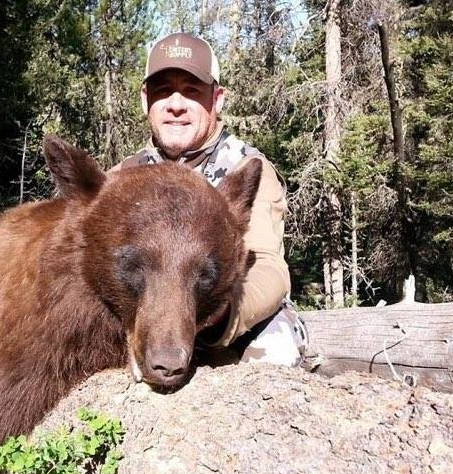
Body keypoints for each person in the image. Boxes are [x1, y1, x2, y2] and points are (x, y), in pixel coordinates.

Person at [111, 32, 308, 367]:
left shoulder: (246, 169)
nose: (176, 105)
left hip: (229, 318)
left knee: (274, 352)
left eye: (192, 91)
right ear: (145, 99)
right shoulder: (122, 178)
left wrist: (218, 313)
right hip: (146, 315)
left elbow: (270, 268)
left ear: (217, 99)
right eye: (163, 91)